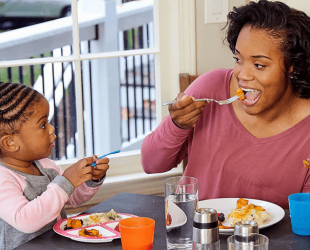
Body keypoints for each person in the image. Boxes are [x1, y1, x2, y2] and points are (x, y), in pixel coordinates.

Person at [141, 0, 310, 209]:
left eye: (259, 65)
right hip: (193, 235)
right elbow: (151, 164)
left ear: (293, 66)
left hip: (268, 242)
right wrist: (177, 126)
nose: (243, 74)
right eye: (238, 59)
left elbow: (304, 224)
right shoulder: (209, 88)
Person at [0, 82, 109, 250]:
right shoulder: (3, 178)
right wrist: (67, 181)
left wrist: (89, 179)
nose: (52, 129)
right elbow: (26, 220)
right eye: (43, 125)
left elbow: (71, 197)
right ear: (11, 142)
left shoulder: (46, 166)